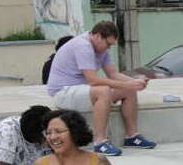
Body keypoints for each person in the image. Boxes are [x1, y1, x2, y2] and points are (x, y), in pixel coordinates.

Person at [45, 19, 152, 155]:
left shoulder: (101, 49)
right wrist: (127, 84)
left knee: (128, 90)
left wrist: (135, 82)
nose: (108, 48)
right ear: (98, 36)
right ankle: (100, 142)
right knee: (103, 91)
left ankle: (132, 137)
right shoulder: (83, 46)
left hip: (81, 91)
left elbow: (113, 74)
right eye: (108, 44)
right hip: (63, 93)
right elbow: (93, 79)